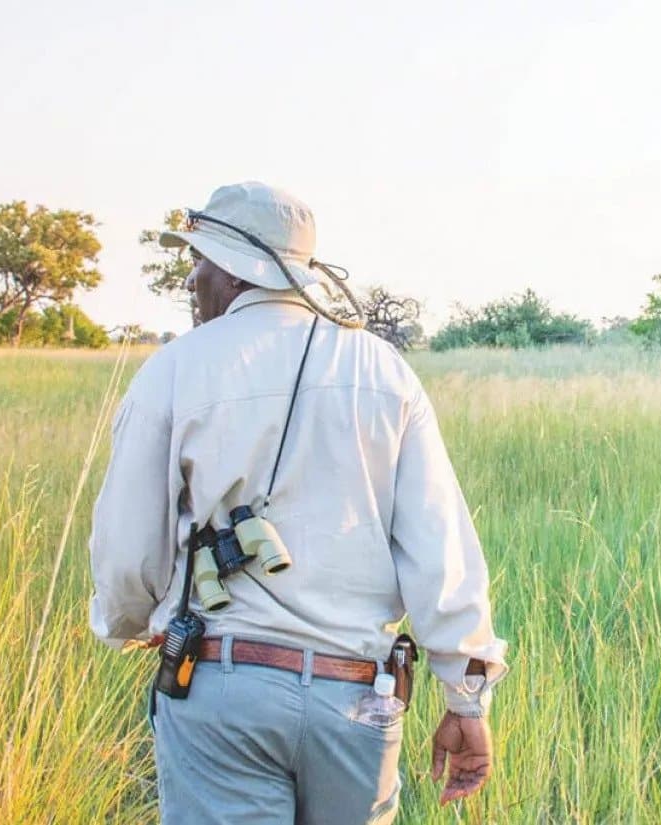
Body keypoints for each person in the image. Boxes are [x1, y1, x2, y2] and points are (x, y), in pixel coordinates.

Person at [88, 181, 508, 824]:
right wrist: (465, 697)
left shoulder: (174, 368)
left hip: (224, 691)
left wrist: (128, 624)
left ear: (229, 271)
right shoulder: (384, 370)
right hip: (359, 700)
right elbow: (438, 547)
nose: (192, 279)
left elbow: (125, 549)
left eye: (197, 262)